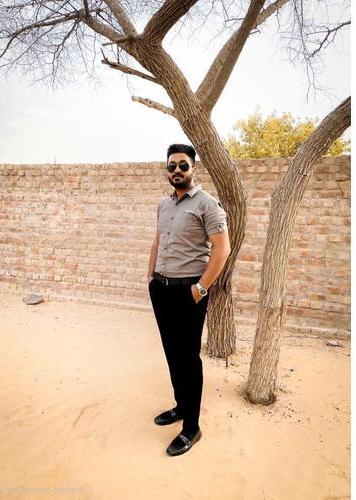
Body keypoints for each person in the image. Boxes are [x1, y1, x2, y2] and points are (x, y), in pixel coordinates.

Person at [147, 143, 231, 456]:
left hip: (189, 293)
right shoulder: (163, 205)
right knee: (172, 352)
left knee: (188, 358)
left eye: (183, 165)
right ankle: (181, 406)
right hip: (161, 289)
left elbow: (222, 249)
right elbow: (157, 241)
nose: (177, 170)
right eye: (172, 166)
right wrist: (150, 277)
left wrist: (200, 289)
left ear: (193, 168)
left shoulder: (207, 204)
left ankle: (192, 427)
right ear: (167, 170)